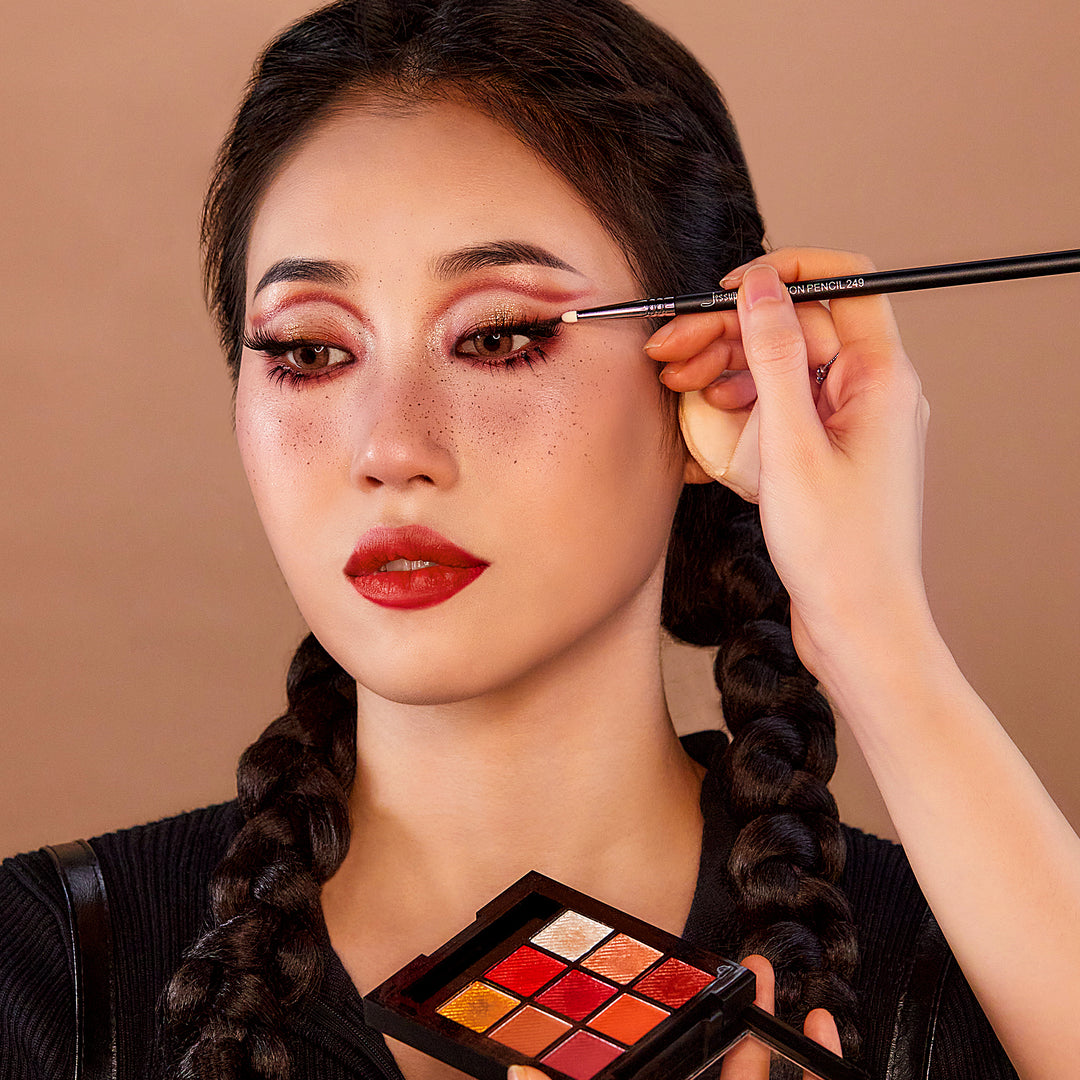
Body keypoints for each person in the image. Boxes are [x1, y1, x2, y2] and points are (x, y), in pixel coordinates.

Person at [2, 1, 1077, 1078]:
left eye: (499, 337)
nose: (390, 447)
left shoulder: (985, 970)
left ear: (711, 373)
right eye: (310, 352)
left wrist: (866, 621)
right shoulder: (40, 967)